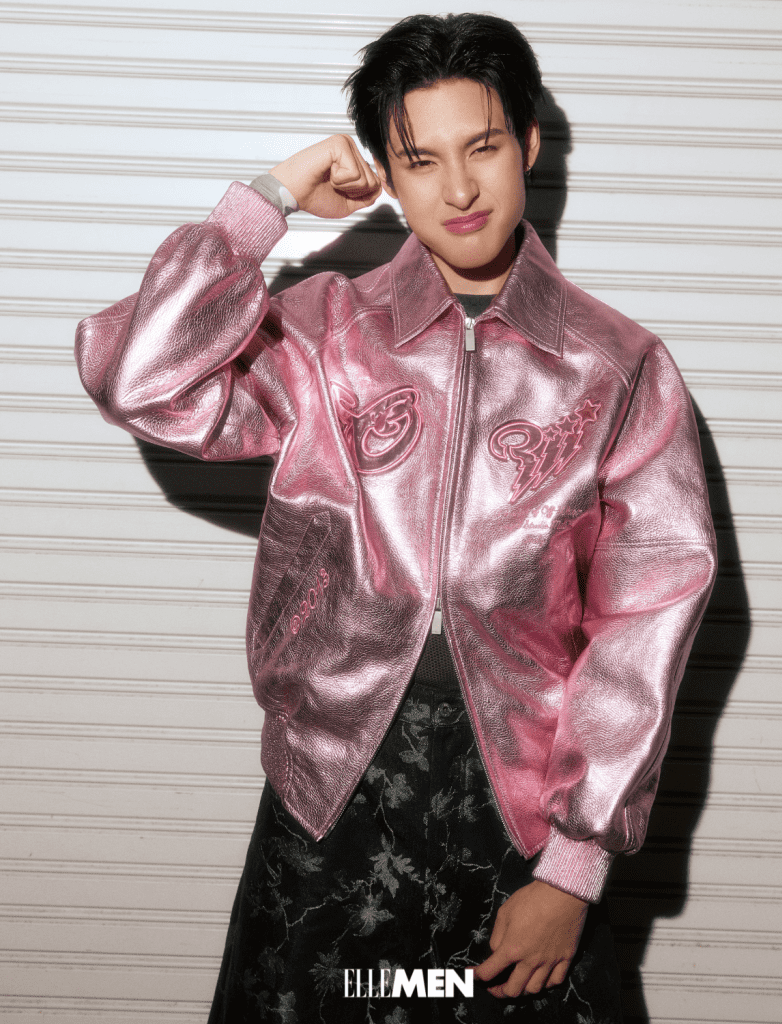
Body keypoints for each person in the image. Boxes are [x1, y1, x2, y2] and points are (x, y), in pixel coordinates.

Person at [75, 13, 716, 1023]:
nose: (458, 190)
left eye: (482, 147)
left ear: (528, 144)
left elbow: (649, 611)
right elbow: (140, 380)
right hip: (331, 784)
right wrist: (265, 203)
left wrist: (574, 865)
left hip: (523, 800)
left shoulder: (619, 366)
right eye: (421, 161)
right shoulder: (324, 332)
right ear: (387, 171)